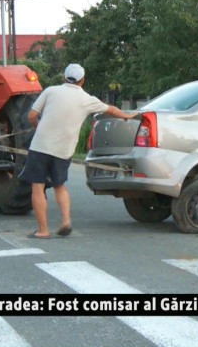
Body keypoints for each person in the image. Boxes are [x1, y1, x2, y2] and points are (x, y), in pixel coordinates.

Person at [19, 64, 137, 239]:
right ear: (83, 80)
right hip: (63, 149)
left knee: (37, 186)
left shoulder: (51, 91)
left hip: (41, 146)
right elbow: (111, 109)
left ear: (63, 77)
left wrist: (38, 126)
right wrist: (127, 116)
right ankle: (65, 220)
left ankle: (43, 230)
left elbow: (31, 115)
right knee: (59, 185)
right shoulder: (87, 99)